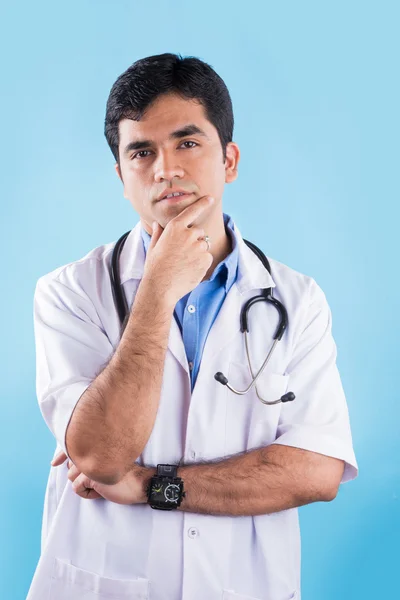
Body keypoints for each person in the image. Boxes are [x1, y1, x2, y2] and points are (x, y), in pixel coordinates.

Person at [27, 53, 358, 600]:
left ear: (228, 159)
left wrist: (150, 485)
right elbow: (101, 456)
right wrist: (156, 291)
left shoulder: (296, 300)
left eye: (187, 143)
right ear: (121, 176)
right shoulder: (69, 293)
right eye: (141, 152)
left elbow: (317, 472)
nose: (165, 169)